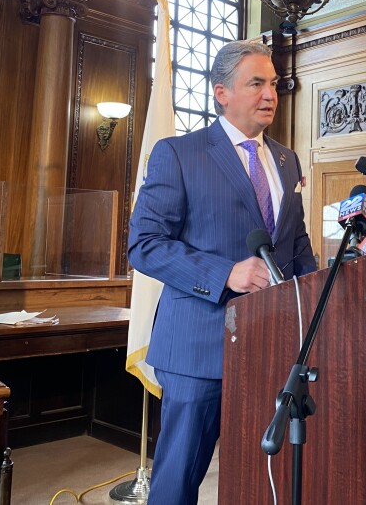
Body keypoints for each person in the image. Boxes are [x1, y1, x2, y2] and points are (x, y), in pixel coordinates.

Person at [128, 40, 317, 504]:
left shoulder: (287, 160)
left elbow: (295, 246)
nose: (270, 93)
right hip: (199, 347)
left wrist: (326, 288)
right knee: (178, 480)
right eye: (256, 83)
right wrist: (224, 273)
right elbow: (144, 245)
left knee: (260, 477)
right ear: (221, 93)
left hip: (272, 346)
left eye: (272, 83)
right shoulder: (178, 154)